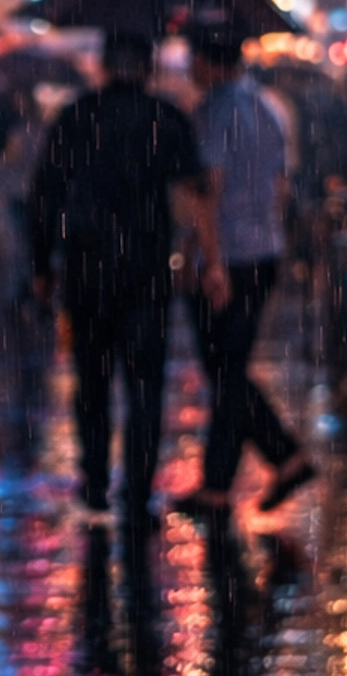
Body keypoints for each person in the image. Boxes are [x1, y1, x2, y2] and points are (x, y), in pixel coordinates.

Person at [29, 29, 226, 529]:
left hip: (85, 267)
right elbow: (194, 190)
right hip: (145, 270)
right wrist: (203, 255)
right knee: (145, 385)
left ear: (103, 66)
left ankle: (95, 484)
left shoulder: (74, 117)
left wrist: (41, 265)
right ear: (147, 68)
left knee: (91, 381)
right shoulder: (165, 117)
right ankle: (137, 490)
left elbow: (44, 193)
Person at [175, 24, 314, 516]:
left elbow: (207, 191)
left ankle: (284, 457)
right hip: (264, 253)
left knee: (227, 373)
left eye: (192, 56)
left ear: (210, 60)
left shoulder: (213, 112)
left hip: (228, 259)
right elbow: (281, 187)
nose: (189, 68)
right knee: (229, 371)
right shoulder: (270, 108)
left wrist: (208, 262)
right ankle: (220, 485)